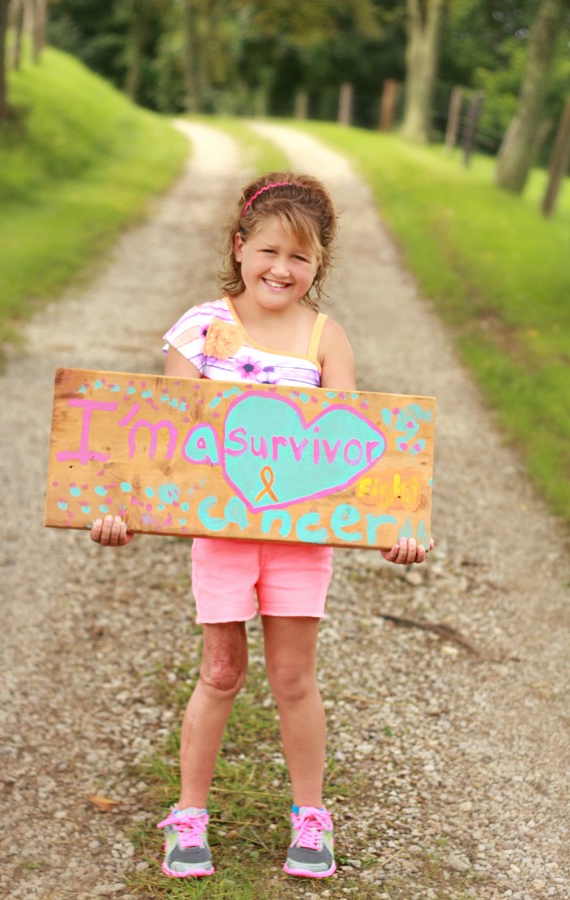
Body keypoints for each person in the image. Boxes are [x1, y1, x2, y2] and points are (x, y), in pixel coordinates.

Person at [90, 172, 433, 879]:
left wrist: (398, 525)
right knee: (220, 672)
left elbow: (355, 455)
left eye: (300, 258)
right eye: (270, 251)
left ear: (319, 266)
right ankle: (188, 816)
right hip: (222, 535)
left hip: (300, 543)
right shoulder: (202, 328)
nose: (282, 269)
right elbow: (166, 444)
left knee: (293, 676)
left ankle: (312, 817)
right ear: (240, 247)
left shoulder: (324, 338)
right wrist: (124, 510)